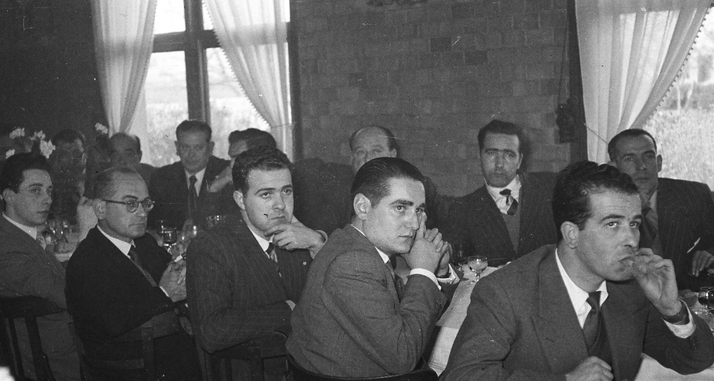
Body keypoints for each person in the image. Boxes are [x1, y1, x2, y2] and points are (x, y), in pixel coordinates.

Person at [441, 161, 714, 381]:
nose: (632, 239)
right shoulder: (509, 290)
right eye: (612, 224)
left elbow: (694, 361)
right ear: (571, 233)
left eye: (634, 223)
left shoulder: (629, 290)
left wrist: (672, 309)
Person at [272, 157, 458, 381]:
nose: (414, 223)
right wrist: (422, 272)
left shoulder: (352, 247)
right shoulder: (353, 263)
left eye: (419, 210)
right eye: (400, 208)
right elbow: (403, 354)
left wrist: (437, 272)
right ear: (362, 206)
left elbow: (404, 316)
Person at [187, 146, 324, 381]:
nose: (280, 205)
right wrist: (288, 309)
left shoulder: (297, 239)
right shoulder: (213, 246)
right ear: (240, 199)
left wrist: (317, 243)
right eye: (266, 194)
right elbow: (211, 330)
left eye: (286, 192)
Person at [65, 166, 205, 381]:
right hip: (130, 380)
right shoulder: (87, 260)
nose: (142, 213)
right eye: (131, 204)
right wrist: (165, 293)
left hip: (163, 361)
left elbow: (172, 280)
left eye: (146, 203)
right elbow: (113, 319)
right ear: (100, 209)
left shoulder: (144, 244)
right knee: (228, 367)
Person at [0, 153, 82, 381]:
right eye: (36, 190)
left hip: (59, 349)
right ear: (9, 196)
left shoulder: (17, 236)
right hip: (56, 364)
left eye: (49, 191)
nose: (47, 200)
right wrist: (86, 233)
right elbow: (71, 296)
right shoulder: (5, 247)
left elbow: (53, 278)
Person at [608, 128, 714, 291]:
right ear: (614, 168)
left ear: (659, 163)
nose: (641, 166)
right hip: (633, 299)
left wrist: (710, 253)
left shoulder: (694, 195)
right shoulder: (605, 206)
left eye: (648, 156)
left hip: (692, 294)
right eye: (629, 159)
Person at [293, 125, 447, 235]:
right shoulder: (337, 191)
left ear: (393, 154)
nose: (368, 159)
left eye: (376, 151)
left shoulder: (418, 187)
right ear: (352, 158)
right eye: (360, 152)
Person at [444, 119, 557, 264]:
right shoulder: (462, 209)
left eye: (509, 154)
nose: (499, 163)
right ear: (480, 156)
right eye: (492, 153)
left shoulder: (549, 189)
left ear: (520, 160)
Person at [148, 119, 230, 229]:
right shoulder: (162, 178)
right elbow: (154, 224)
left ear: (210, 148)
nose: (191, 155)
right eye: (185, 147)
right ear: (177, 147)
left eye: (198, 148)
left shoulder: (224, 173)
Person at [197, 128, 276, 220]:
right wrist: (214, 187)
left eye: (238, 158)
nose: (231, 164)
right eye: (231, 158)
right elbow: (203, 223)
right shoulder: (233, 187)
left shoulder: (280, 189)